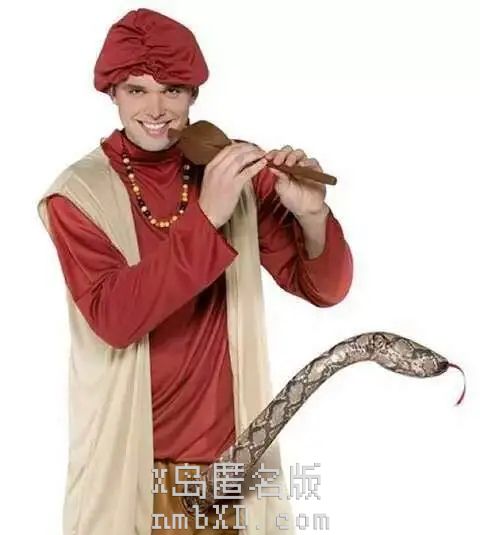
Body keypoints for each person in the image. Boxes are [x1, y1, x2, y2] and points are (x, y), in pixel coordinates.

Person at [37, 8, 353, 535]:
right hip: (132, 469)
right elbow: (116, 316)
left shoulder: (231, 172)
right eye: (137, 90)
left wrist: (312, 216)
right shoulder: (77, 195)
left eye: (173, 90)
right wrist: (207, 217)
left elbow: (324, 287)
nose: (156, 109)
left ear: (194, 94)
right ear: (112, 93)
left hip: (233, 467)